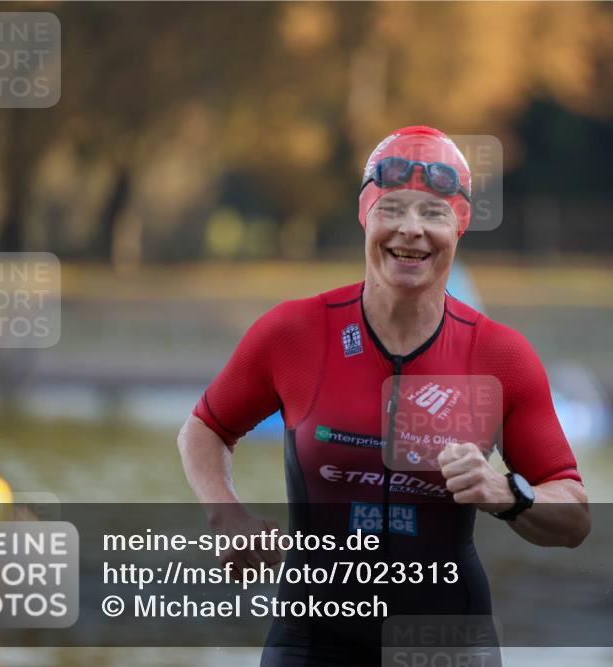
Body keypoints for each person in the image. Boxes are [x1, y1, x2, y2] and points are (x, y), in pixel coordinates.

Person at [178, 125, 591, 665]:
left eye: (434, 213)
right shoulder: (295, 333)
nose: (411, 230)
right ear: (365, 216)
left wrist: (504, 491)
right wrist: (226, 515)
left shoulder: (500, 356)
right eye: (392, 208)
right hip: (312, 639)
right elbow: (205, 428)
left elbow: (575, 516)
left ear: (459, 226)